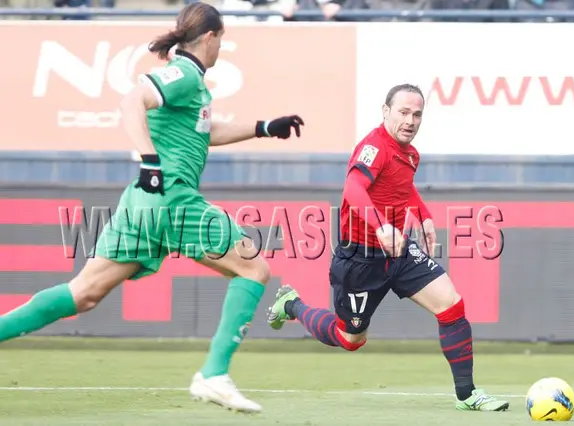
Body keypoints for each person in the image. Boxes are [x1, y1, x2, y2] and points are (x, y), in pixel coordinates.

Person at [0, 2, 303, 414]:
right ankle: (214, 374)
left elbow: (204, 131)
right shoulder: (183, 74)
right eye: (222, 40)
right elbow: (132, 101)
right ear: (211, 36)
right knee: (254, 268)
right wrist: (149, 160)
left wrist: (264, 128)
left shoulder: (193, 85)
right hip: (171, 198)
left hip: (142, 204)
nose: (220, 48)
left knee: (84, 292)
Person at [267, 84, 510, 412]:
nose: (410, 120)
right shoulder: (374, 146)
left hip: (398, 253)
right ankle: (292, 305)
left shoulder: (410, 154)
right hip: (360, 259)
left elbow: (404, 190)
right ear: (385, 111)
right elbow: (353, 186)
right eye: (403, 112)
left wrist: (423, 217)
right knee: (350, 339)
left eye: (417, 114)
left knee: (451, 305)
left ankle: (467, 394)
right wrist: (380, 225)